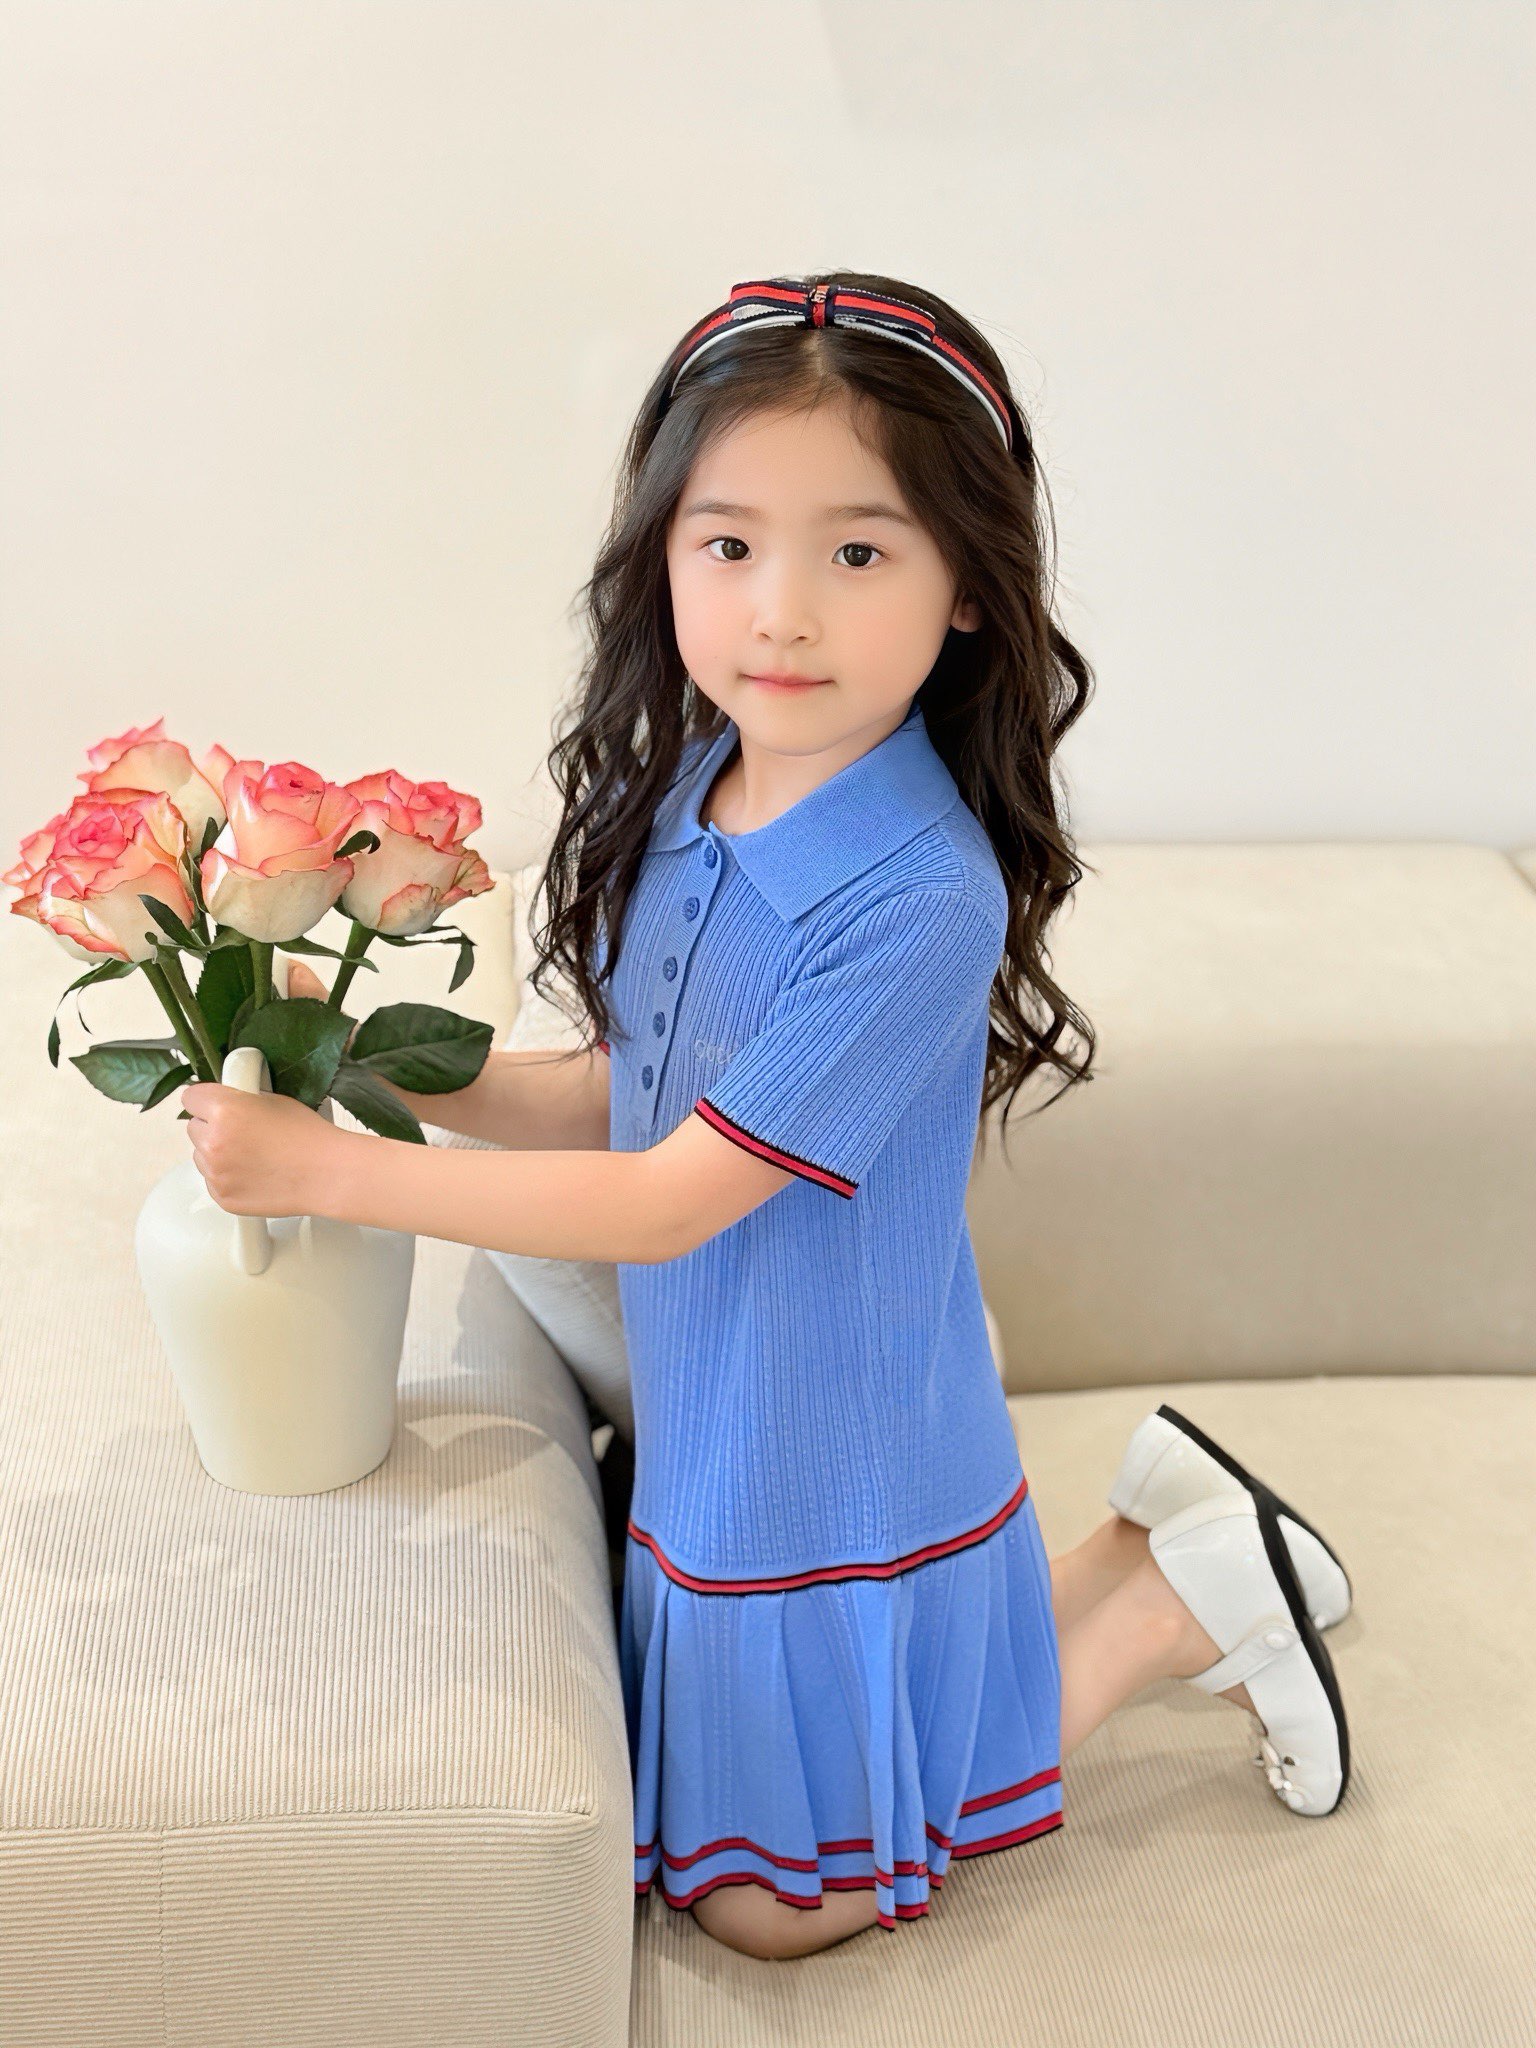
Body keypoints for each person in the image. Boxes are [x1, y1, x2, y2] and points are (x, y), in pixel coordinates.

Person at [183, 271, 1354, 1964]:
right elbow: (627, 1095)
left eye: (858, 553)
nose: (781, 613)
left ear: (969, 586)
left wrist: (336, 1172)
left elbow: (668, 1197)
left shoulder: (918, 896)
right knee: (734, 1879)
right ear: (661, 558)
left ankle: (1171, 1602)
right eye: (728, 545)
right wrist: (375, 1060)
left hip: (836, 1438)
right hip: (724, 1418)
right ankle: (1144, 1548)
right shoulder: (688, 792)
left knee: (764, 1918)